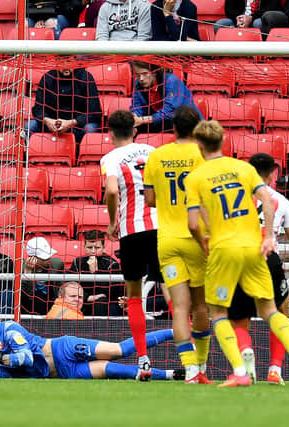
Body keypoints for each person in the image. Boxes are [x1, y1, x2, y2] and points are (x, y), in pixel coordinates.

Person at [186, 120, 289, 387]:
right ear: (223, 142)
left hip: (224, 250)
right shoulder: (243, 169)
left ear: (199, 145)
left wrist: (204, 241)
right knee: (270, 309)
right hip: (254, 249)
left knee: (219, 313)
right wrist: (268, 236)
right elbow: (268, 200)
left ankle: (240, 371)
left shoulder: (196, 177)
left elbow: (192, 223)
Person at [228, 153, 289, 385]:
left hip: (239, 258)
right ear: (273, 173)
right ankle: (275, 369)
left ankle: (244, 360)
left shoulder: (234, 197)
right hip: (269, 259)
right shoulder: (281, 201)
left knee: (239, 319)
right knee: (278, 313)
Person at [143, 105, 212, 384]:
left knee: (179, 308)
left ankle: (190, 369)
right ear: (197, 130)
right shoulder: (203, 156)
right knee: (201, 307)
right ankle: (203, 366)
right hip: (197, 237)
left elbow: (149, 200)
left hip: (168, 240)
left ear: (173, 129)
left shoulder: (157, 155)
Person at [100, 110, 163, 381]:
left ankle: (143, 360)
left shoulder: (110, 158)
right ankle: (191, 357)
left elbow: (112, 190)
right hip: (162, 227)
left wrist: (112, 221)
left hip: (131, 231)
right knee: (171, 289)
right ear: (134, 130)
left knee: (134, 295)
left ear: (111, 133)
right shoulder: (153, 151)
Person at [0, 306, 182, 380]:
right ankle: (173, 374)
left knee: (117, 351)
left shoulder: (9, 329)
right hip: (65, 372)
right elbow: (3, 374)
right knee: (114, 370)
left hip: (62, 349)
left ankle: (175, 330)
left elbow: (26, 358)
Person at [27, 67, 102, 144]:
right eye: (63, 62)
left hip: (78, 125)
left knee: (90, 129)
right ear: (57, 62)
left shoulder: (86, 77)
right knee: (30, 126)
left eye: (69, 61)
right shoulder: (48, 77)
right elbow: (38, 108)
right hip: (52, 124)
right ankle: (28, 155)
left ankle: (81, 154)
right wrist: (47, 120)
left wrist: (72, 122)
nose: (66, 66)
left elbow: (94, 111)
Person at [131, 60, 202, 134]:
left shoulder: (171, 80)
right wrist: (134, 116)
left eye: (145, 73)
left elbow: (170, 111)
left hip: (187, 124)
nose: (141, 78)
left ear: (154, 72)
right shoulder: (138, 84)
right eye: (137, 75)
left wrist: (143, 120)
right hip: (161, 122)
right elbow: (137, 106)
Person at [69, 230, 123, 316]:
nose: (93, 251)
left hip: (105, 304)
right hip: (83, 300)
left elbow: (110, 293)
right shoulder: (77, 262)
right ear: (84, 247)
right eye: (89, 248)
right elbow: (71, 286)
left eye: (97, 248)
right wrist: (87, 297)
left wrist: (95, 273)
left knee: (101, 302)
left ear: (103, 247)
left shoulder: (112, 264)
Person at [21, 236, 65, 315]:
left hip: (52, 301)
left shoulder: (57, 264)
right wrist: (28, 272)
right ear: (33, 258)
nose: (48, 259)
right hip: (30, 304)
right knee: (38, 297)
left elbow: (60, 287)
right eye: (45, 258)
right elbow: (25, 295)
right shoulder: (20, 268)